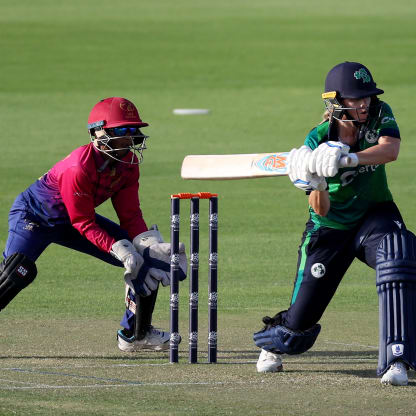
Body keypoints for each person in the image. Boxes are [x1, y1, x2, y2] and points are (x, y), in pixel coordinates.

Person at [253, 62, 416, 386]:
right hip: (331, 228)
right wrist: (317, 183)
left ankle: (397, 357)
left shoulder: (380, 114)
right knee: (297, 330)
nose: (364, 104)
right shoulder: (315, 141)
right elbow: (322, 210)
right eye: (357, 99)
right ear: (337, 102)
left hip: (375, 214)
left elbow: (391, 150)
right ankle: (273, 338)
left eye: (367, 97)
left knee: (401, 255)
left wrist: (350, 158)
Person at [0, 97, 186, 352]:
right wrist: (119, 249)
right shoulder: (79, 167)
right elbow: (82, 221)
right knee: (14, 273)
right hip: (34, 217)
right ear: (98, 134)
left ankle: (135, 333)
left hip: (76, 218)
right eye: (121, 131)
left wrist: (147, 243)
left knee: (147, 258)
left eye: (133, 130)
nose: (129, 138)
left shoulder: (128, 167)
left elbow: (130, 215)